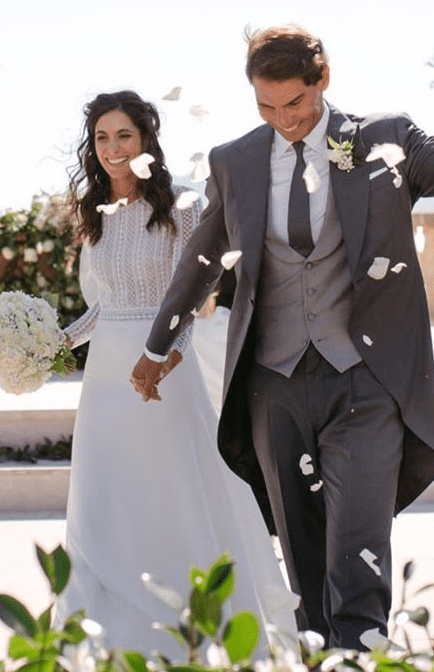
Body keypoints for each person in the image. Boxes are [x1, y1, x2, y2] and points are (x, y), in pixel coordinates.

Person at [131, 0, 434, 648]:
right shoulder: (235, 161)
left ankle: (361, 656)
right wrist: (157, 347)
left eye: (295, 103)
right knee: (303, 568)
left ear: (323, 78)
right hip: (272, 387)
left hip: (364, 383)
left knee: (356, 556)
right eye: (267, 106)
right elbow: (203, 259)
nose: (285, 120)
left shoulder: (386, 140)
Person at [55, 90, 298, 654]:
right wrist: (57, 341)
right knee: (103, 497)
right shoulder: (95, 213)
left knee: (175, 493)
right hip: (105, 379)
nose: (113, 148)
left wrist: (167, 355)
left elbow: (189, 295)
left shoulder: (181, 208)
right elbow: (109, 304)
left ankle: (188, 624)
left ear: (146, 140)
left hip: (162, 369)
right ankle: (109, 635)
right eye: (102, 137)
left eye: (124, 135)